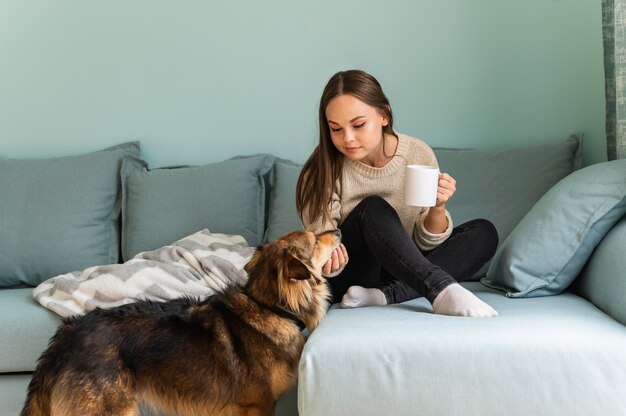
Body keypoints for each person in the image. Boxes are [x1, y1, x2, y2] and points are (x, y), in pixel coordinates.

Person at [295, 69, 499, 317]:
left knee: (483, 232)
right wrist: (327, 254)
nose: (347, 139)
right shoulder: (322, 169)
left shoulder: (418, 153)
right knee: (372, 207)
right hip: (352, 273)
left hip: (406, 269)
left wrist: (438, 206)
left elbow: (425, 244)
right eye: (336, 129)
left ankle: (385, 296)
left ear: (384, 114)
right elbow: (322, 246)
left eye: (358, 125)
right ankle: (440, 289)